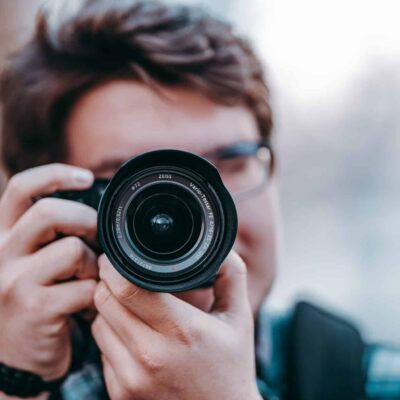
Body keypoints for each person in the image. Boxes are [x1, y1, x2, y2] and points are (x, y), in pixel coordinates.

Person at [0, 1, 398, 399]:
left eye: (230, 161)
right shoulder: (20, 376)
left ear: (272, 174)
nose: (198, 218)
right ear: (50, 209)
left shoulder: (374, 382)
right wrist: (17, 383)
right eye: (139, 182)